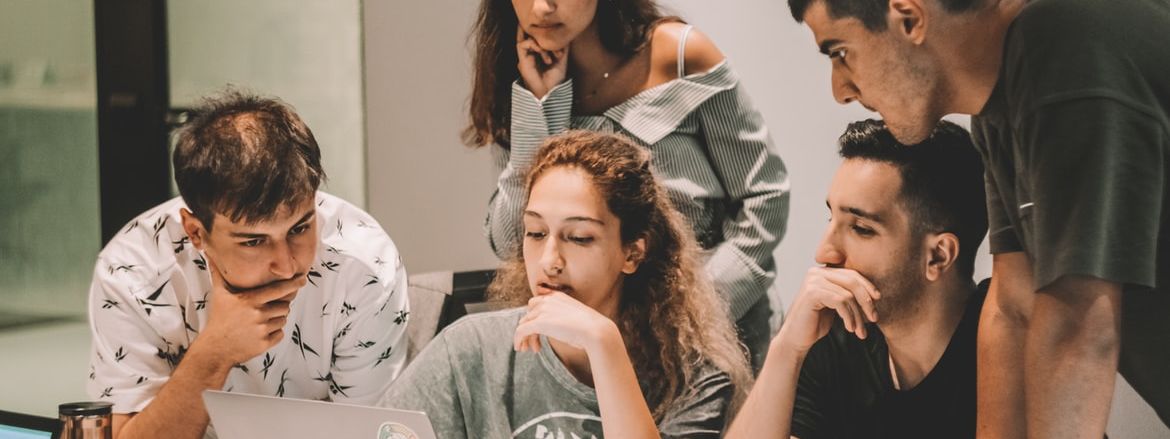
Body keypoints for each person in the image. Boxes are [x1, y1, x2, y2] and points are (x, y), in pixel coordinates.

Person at [785, 0, 1170, 436]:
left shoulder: (1066, 44)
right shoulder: (998, 108)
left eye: (840, 52)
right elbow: (1011, 308)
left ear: (908, 17)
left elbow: (1078, 321)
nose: (841, 90)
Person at [469, 0, 790, 367]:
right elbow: (512, 240)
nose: (543, 7)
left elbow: (765, 197)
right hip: (594, 348)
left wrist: (699, 309)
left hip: (720, 333)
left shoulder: (681, 54)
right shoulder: (515, 74)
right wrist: (539, 106)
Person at [381, 131, 752, 438]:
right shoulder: (471, 349)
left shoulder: (693, 377)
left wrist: (603, 343)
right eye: (536, 232)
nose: (549, 261)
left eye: (578, 237)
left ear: (632, 254)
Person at [85, 91, 410, 439]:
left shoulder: (364, 266)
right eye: (253, 241)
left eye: (300, 227)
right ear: (196, 232)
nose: (286, 266)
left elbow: (371, 434)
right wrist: (214, 353)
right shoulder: (133, 271)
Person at [727, 120, 988, 438]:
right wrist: (786, 349)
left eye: (861, 229)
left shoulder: (1005, 343)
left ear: (938, 256)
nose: (824, 253)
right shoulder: (835, 344)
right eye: (831, 217)